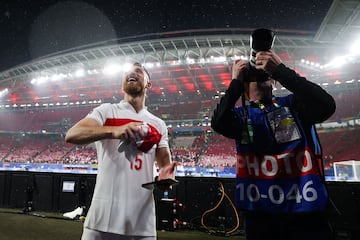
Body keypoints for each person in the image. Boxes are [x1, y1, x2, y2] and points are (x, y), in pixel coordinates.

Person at [211, 29, 336, 240]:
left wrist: (280, 70)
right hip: (260, 216)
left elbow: (326, 105)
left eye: (268, 76)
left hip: (305, 214)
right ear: (244, 87)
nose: (261, 77)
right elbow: (218, 123)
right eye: (253, 76)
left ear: (275, 82)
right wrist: (234, 83)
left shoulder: (294, 106)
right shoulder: (240, 117)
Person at [65, 62, 177, 240]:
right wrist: (112, 130)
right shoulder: (107, 111)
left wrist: (166, 176)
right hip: (102, 220)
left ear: (149, 84)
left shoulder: (158, 124)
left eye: (138, 71)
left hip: (142, 223)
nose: (132, 73)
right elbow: (72, 134)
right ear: (122, 83)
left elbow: (165, 164)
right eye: (127, 72)